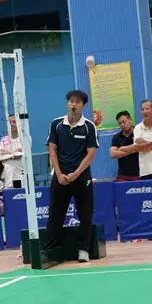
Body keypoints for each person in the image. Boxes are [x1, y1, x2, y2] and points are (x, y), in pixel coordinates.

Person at [44, 90, 98, 263]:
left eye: (77, 102)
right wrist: (59, 173)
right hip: (60, 177)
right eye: (71, 101)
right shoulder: (56, 124)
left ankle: (83, 250)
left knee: (85, 215)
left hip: (81, 178)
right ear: (67, 104)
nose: (74, 104)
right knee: (55, 215)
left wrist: (76, 174)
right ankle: (50, 250)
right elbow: (52, 149)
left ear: (83, 106)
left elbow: (91, 154)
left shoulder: (89, 126)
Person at [109, 111, 140, 182]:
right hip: (123, 175)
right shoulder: (116, 137)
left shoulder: (139, 132)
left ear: (130, 119)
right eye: (120, 123)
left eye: (124, 122)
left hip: (140, 174)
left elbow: (143, 147)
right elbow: (113, 154)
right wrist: (134, 149)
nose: (122, 125)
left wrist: (122, 149)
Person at [0, 114, 25, 188]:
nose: (11, 124)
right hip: (5, 177)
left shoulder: (24, 138)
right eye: (10, 122)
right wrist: (12, 154)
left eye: (14, 122)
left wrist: (5, 154)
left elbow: (19, 155)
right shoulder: (3, 139)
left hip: (19, 176)